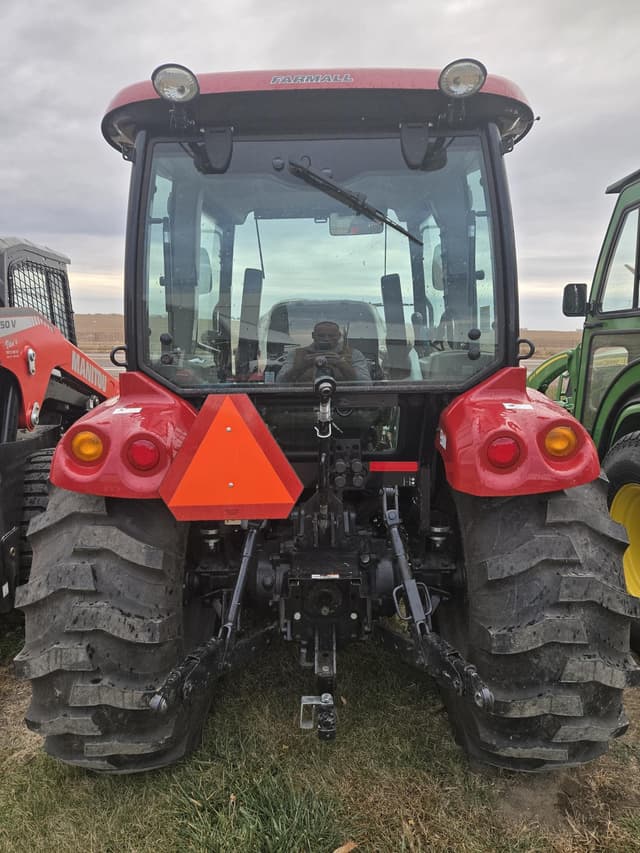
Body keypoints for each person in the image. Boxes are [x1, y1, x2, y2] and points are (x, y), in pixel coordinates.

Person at [276, 320, 370, 383]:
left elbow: (366, 384)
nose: (326, 339)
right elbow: (279, 382)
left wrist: (342, 364)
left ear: (339, 336)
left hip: (344, 404)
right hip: (303, 402)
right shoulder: (296, 354)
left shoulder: (353, 354)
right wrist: (302, 366)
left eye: (331, 336)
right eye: (321, 336)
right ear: (313, 335)